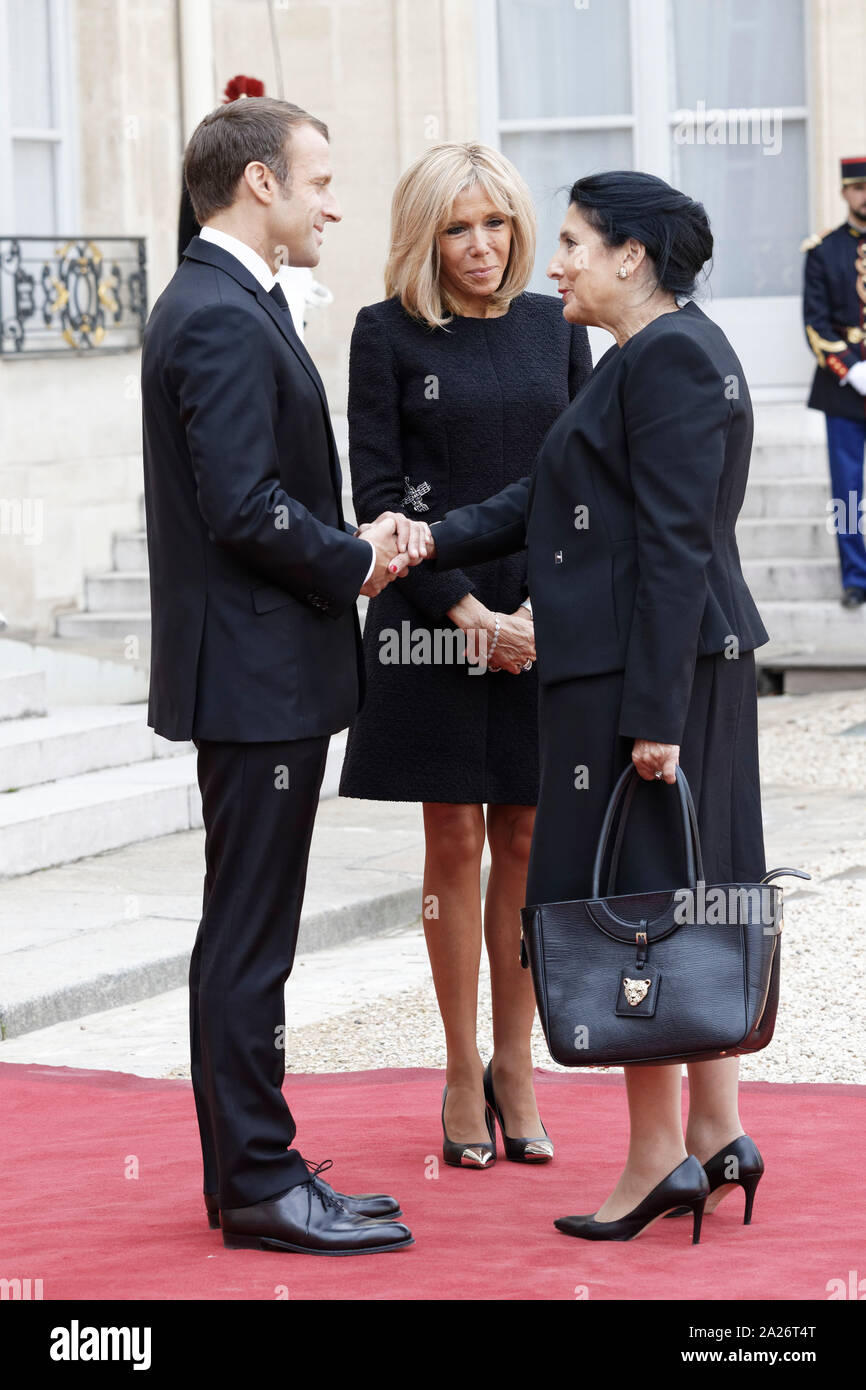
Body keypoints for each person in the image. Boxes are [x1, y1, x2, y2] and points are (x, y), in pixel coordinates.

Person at [424, 170, 771, 1241]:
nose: (553, 260)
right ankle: (716, 1133)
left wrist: (652, 717)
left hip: (645, 678)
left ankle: (650, 1160)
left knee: (638, 911)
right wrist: (427, 541)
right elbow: (544, 498)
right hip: (661, 669)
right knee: (691, 892)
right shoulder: (660, 352)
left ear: (630, 256)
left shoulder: (665, 358)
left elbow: (673, 547)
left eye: (571, 241)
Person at [142, 95, 433, 1255]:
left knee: (250, 929)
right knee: (250, 936)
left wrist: (351, 540)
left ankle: (251, 1173)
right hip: (254, 678)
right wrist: (358, 558)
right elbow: (242, 509)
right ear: (257, 183)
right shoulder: (214, 312)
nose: (334, 202)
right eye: (318, 180)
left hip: (266, 670)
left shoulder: (228, 301)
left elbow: (262, 496)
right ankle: (258, 1183)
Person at [339, 143, 592, 1168]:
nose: (479, 246)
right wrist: (466, 614)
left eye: (494, 224)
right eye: (456, 227)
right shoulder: (383, 334)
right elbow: (379, 500)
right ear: (424, 235)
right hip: (428, 624)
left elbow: (576, 486)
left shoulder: (556, 327)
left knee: (528, 840)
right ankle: (455, 1068)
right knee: (450, 841)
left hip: (539, 622)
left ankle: (515, 1066)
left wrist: (527, 614)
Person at [802, 155, 866, 607]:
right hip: (845, 389)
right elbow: (815, 323)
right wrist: (853, 370)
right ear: (844, 192)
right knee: (849, 490)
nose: (865, 196)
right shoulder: (822, 251)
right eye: (858, 187)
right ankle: (856, 577)